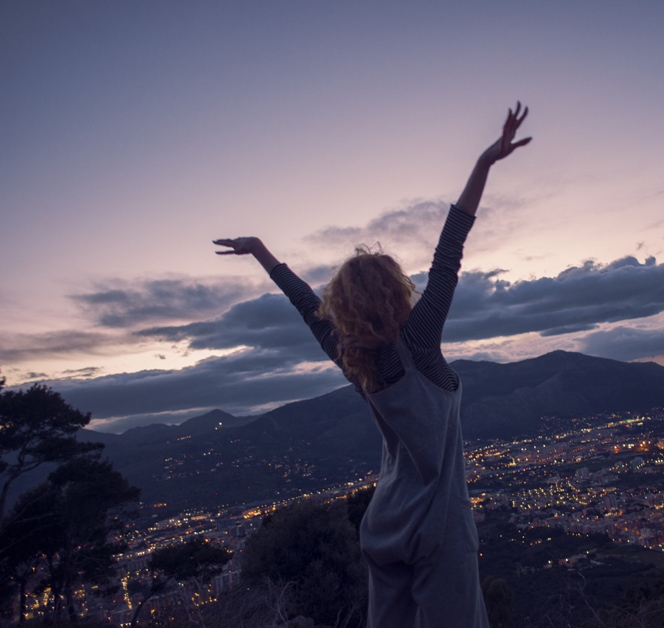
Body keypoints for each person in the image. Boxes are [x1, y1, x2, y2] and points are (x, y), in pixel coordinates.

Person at [214, 103, 531, 628]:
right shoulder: (420, 343)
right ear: (394, 290)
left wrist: (261, 251)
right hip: (439, 527)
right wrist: (484, 163)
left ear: (344, 305)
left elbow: (303, 304)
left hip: (383, 525)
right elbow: (449, 250)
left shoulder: (353, 360)